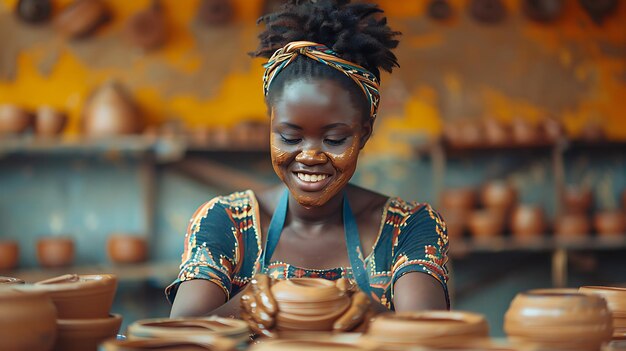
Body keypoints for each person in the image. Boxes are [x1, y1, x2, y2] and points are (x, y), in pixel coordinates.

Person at [166, 0, 449, 331]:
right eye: (289, 137)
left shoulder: (408, 228)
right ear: (271, 129)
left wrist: (363, 310)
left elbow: (431, 336)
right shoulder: (227, 222)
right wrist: (246, 302)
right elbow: (178, 335)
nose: (310, 156)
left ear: (364, 134)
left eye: (334, 140)